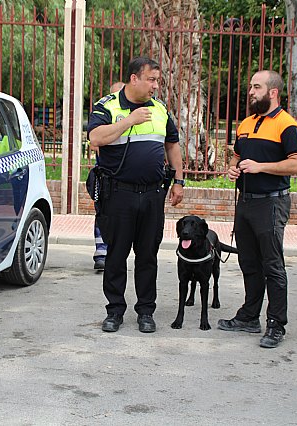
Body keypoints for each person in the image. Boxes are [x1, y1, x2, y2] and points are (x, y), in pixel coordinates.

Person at [87, 57, 184, 333]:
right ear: (134, 79)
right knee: (116, 255)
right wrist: (129, 120)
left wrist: (179, 181)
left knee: (147, 256)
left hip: (153, 194)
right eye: (151, 79)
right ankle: (115, 311)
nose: (156, 85)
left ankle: (146, 311)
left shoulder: (160, 109)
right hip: (118, 194)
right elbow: (96, 138)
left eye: (157, 80)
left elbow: (172, 146)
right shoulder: (107, 105)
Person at [217, 70, 297, 349]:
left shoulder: (287, 125)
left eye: (257, 87)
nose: (251, 91)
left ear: (273, 92)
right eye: (251, 86)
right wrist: (232, 169)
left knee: (272, 265)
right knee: (249, 262)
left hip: (271, 202)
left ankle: (276, 324)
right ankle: (249, 317)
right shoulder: (246, 123)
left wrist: (260, 167)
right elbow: (237, 156)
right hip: (245, 201)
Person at [92, 81, 126, 271]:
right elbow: (94, 142)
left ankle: (115, 252)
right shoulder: (105, 112)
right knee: (103, 213)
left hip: (126, 177)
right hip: (105, 176)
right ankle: (101, 253)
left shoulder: (130, 114)